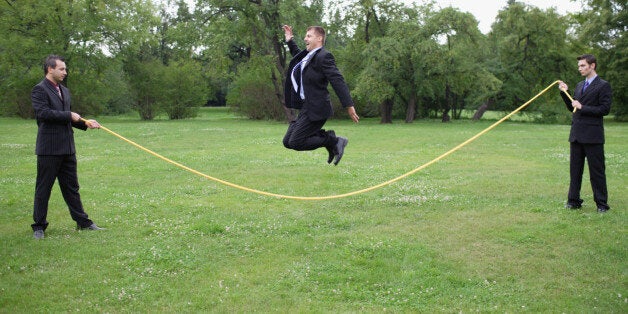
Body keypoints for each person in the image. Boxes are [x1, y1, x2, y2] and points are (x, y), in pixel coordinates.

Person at [31, 54, 104, 239]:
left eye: (65, 69)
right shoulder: (40, 90)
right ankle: (39, 226)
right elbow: (43, 114)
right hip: (49, 149)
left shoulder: (65, 90)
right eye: (61, 69)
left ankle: (83, 222)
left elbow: (68, 118)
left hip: (67, 148)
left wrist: (84, 123)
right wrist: (69, 115)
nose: (65, 72)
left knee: (72, 188)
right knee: (43, 189)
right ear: (50, 69)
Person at [282, 25, 359, 165]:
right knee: (287, 142)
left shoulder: (324, 56)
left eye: (309, 36)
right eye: (306, 36)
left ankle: (334, 140)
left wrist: (349, 105)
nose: (305, 38)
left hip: (317, 109)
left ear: (319, 38)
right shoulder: (308, 56)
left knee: (295, 141)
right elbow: (297, 55)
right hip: (306, 107)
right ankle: (331, 143)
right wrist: (289, 40)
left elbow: (337, 80)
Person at [558, 54, 612, 213]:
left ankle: (602, 204)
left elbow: (604, 109)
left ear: (592, 66)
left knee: (597, 172)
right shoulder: (580, 85)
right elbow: (573, 107)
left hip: (593, 136)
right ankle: (573, 201)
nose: (580, 68)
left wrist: (582, 107)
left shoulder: (603, 86)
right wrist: (564, 92)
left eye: (583, 65)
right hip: (576, 135)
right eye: (579, 66)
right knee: (575, 171)